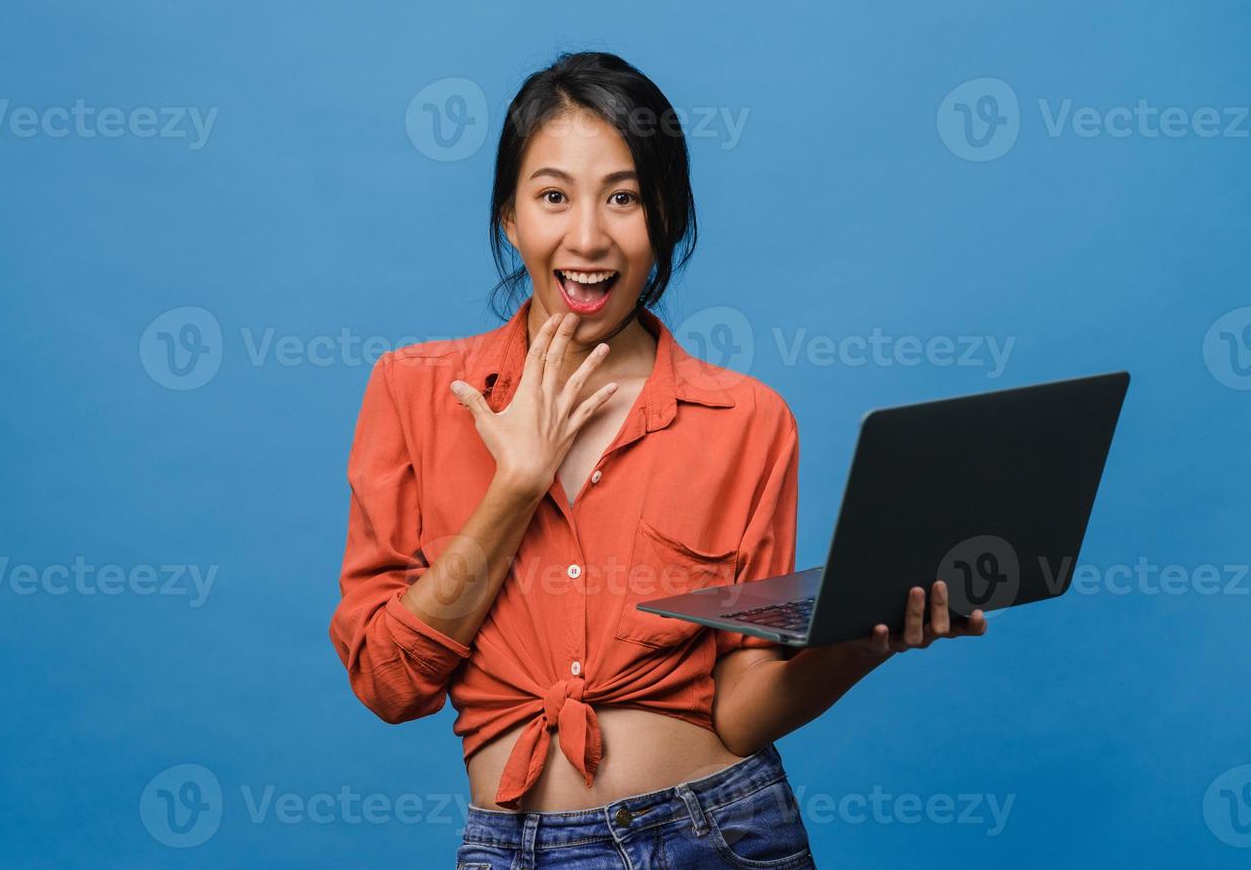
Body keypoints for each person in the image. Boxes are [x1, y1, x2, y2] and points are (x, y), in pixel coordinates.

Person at [330, 51, 987, 868]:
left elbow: (740, 710)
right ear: (509, 215)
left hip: (724, 832)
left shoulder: (747, 420)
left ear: (664, 217)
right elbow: (390, 685)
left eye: (624, 198)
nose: (588, 238)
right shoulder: (413, 393)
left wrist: (862, 643)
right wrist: (518, 484)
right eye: (553, 197)